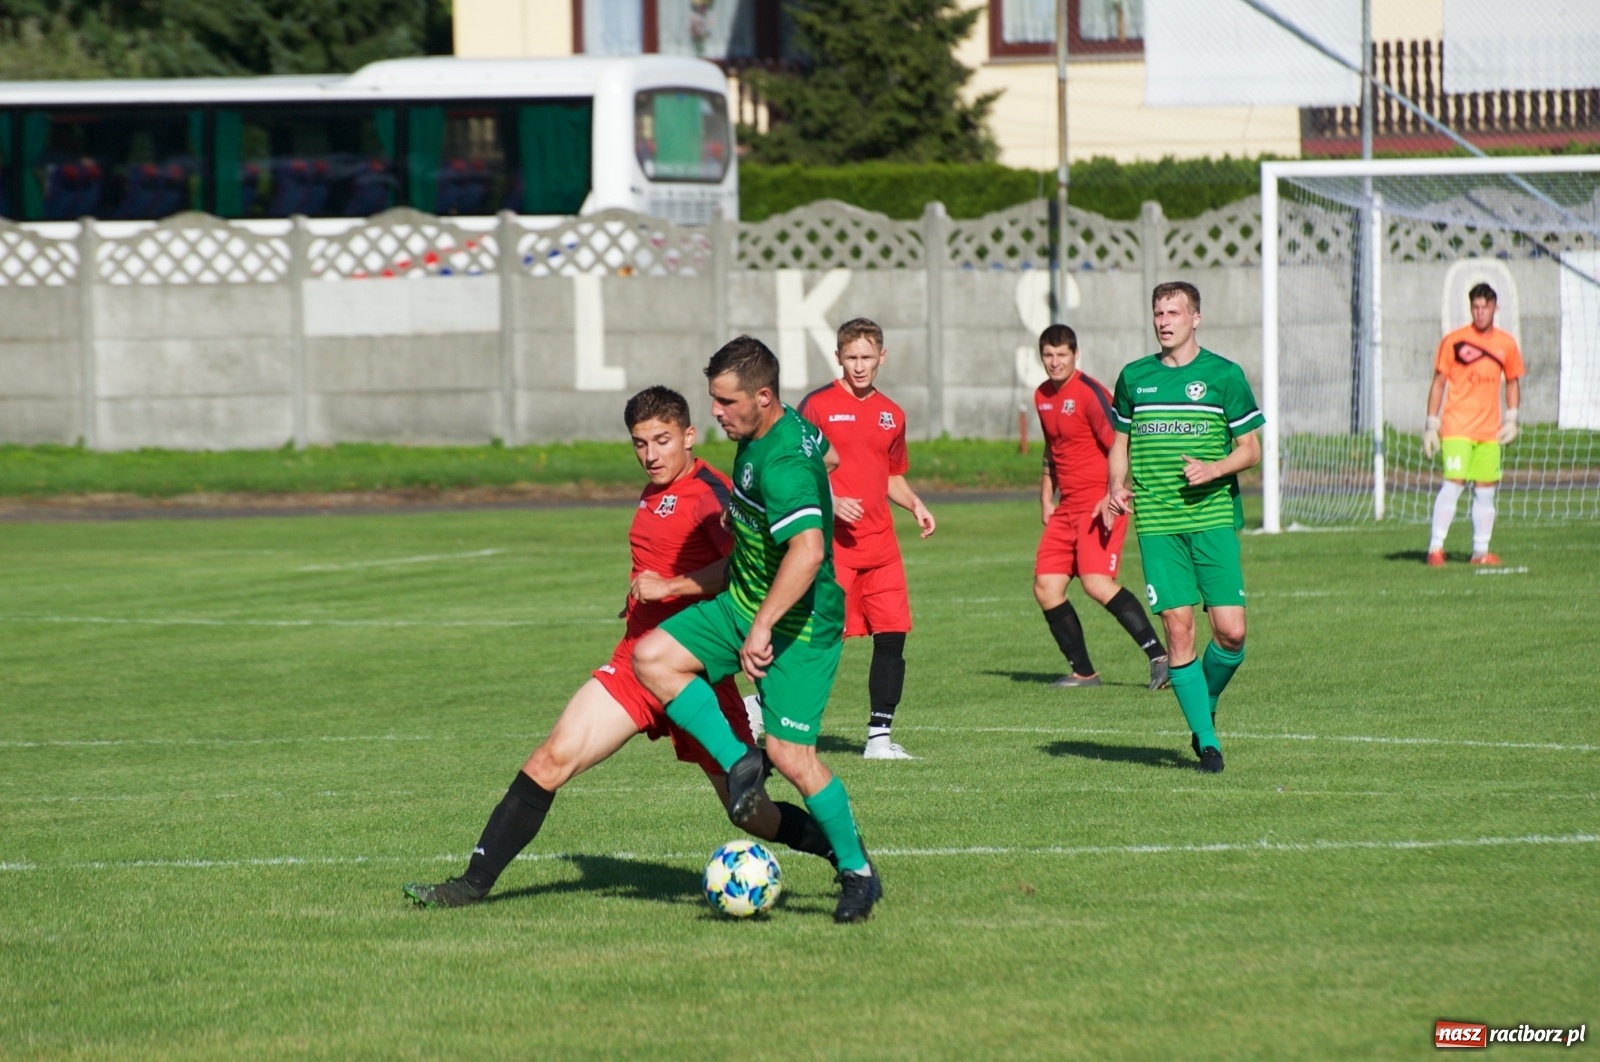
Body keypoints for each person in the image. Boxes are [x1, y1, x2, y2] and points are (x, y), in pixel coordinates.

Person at [402, 386, 836, 908]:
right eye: (640, 443)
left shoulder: (712, 496)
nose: (650, 455)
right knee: (551, 759)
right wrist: (640, 599)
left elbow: (741, 571)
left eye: (662, 441)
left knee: (753, 815)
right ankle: (469, 886)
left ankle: (842, 854)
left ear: (689, 436)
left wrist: (669, 588)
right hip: (635, 664)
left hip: (694, 674)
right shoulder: (656, 489)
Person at [633, 336, 882, 924]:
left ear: (762, 397)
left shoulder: (783, 463)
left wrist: (763, 626)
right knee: (652, 658)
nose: (714, 412)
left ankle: (858, 872)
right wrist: (748, 512)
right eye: (713, 399)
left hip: (799, 624)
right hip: (741, 599)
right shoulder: (776, 430)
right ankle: (740, 761)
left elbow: (808, 550)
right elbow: (828, 456)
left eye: (725, 402)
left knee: (794, 759)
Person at [1095, 282, 1264, 774]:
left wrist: (1213, 469)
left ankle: (1202, 704)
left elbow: (1251, 450)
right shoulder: (1135, 378)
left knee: (1231, 633)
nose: (1164, 321)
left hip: (1212, 518)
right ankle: (1207, 743)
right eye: (1158, 313)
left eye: (1174, 312)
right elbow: (1120, 443)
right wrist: (1116, 486)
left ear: (1196, 318)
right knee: (1178, 626)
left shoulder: (1224, 376)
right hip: (1158, 524)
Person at [798, 318, 936, 760]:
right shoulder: (816, 406)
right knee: (822, 640)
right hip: (834, 548)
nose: (859, 366)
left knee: (892, 636)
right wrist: (832, 500)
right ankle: (765, 709)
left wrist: (915, 503)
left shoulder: (892, 414)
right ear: (838, 357)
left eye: (867, 357)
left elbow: (890, 474)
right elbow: (797, 470)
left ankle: (878, 739)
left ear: (882, 357)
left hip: (881, 547)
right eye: (851, 357)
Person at [1030, 323, 1168, 691]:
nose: (1055, 362)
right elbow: (1052, 448)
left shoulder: (1091, 395)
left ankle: (1160, 658)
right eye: (1048, 355)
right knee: (1046, 586)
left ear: (1076, 355)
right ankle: (1084, 673)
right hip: (1066, 508)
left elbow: (1120, 445)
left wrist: (1113, 493)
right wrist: (1045, 496)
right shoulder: (1042, 395)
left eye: (1062, 355)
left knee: (1096, 583)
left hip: (1099, 503)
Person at [1423, 283, 1525, 567]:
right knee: (1454, 484)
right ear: (1471, 309)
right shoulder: (1454, 341)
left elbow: (1512, 381)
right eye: (1476, 307)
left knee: (1485, 490)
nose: (1480, 312)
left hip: (1489, 431)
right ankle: (1435, 548)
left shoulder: (1506, 344)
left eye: (1485, 307)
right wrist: (1431, 424)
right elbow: (1439, 382)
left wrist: (1512, 418)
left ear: (1495, 308)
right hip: (1457, 427)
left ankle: (1480, 552)